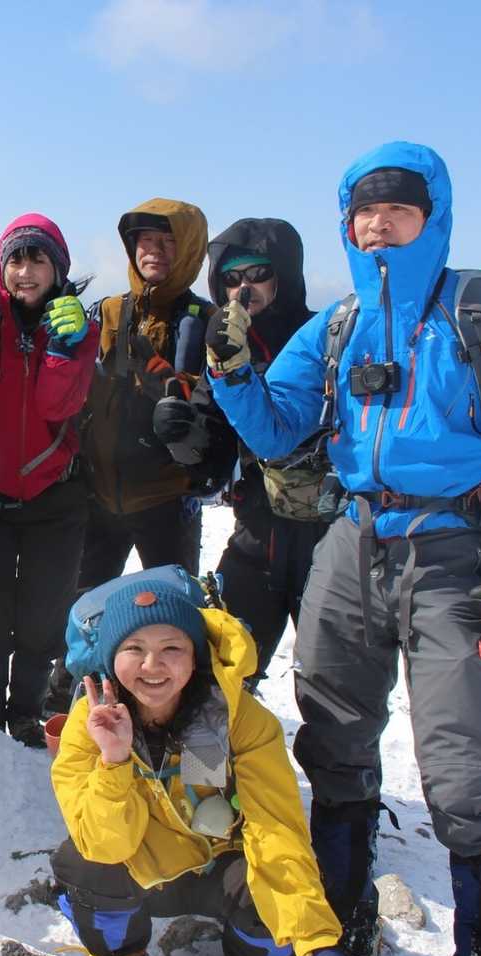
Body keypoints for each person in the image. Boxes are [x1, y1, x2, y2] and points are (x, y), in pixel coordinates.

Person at [208, 142, 481, 956]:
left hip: (455, 552)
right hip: (354, 538)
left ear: (431, 218)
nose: (377, 223)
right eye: (363, 212)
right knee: (333, 745)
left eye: (397, 208)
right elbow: (280, 428)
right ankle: (346, 931)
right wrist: (233, 373)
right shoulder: (339, 325)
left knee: (464, 774)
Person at [49, 580, 363, 956]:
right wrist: (114, 760)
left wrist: (317, 944)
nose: (152, 666)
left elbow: (276, 827)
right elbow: (106, 843)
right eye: (134, 649)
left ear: (196, 655)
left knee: (275, 876)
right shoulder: (91, 723)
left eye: (172, 648)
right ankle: (117, 955)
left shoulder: (235, 718)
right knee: (83, 861)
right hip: (137, 864)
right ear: (111, 657)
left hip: (219, 863)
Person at [0, 215, 96, 746]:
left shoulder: (76, 329)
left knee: (42, 619)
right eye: (16, 260)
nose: (25, 272)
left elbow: (55, 405)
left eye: (38, 260)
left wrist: (65, 348)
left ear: (58, 268)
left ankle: (24, 711)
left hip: (56, 497)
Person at [80, 198, 237, 582]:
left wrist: (174, 388)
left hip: (169, 501)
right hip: (99, 498)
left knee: (173, 609)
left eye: (168, 241)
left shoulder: (211, 323)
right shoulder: (107, 313)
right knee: (86, 610)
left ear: (189, 250)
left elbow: (223, 406)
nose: (154, 250)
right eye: (145, 240)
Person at [201, 219, 327, 687]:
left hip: (327, 540)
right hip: (256, 531)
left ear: (283, 276)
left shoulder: (324, 335)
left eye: (257, 274)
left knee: (335, 690)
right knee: (221, 676)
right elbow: (210, 438)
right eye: (232, 278)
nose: (244, 288)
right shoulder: (222, 342)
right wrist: (185, 437)